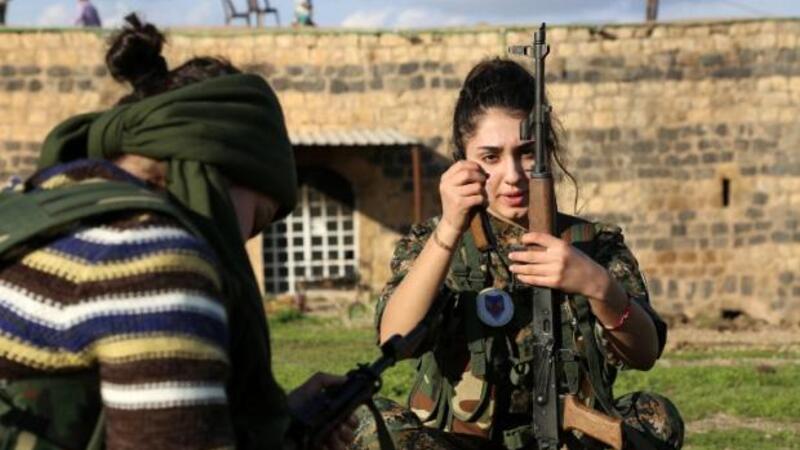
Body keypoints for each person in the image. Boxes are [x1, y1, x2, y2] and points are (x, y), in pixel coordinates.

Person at [0, 14, 354, 450]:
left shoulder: (32, 204)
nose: (243, 242)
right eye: (257, 220)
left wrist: (282, 422)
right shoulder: (147, 257)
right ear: (219, 172)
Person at [352, 58, 684, 449]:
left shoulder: (593, 243)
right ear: (463, 160)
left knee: (657, 417)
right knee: (370, 423)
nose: (512, 176)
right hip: (464, 442)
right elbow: (394, 338)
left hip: (572, 440)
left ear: (548, 151)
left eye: (527, 153)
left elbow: (644, 353)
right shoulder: (436, 242)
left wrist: (597, 285)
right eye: (490, 157)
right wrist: (450, 228)